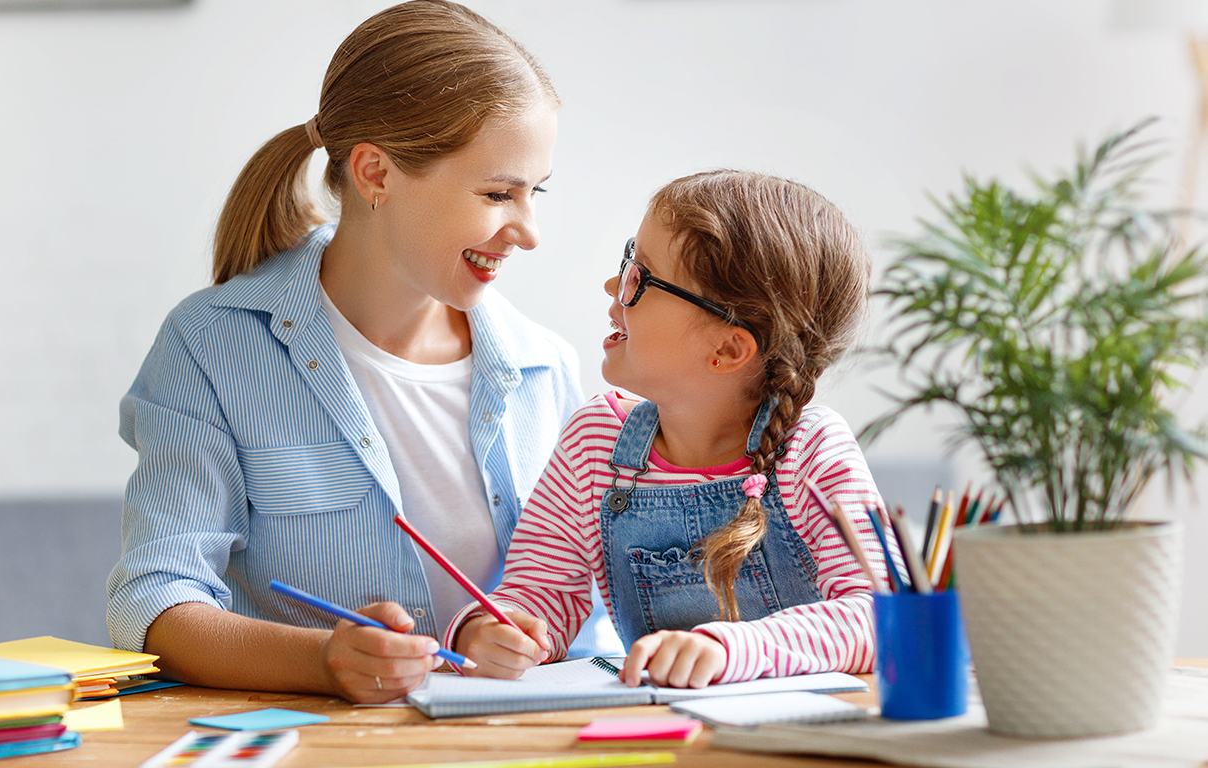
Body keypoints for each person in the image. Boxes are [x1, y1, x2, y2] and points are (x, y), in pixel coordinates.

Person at [107, 0, 615, 705]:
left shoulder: (545, 368)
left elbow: (591, 609)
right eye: (498, 193)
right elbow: (154, 603)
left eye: (536, 193)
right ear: (375, 173)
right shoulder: (209, 346)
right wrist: (324, 660)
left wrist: (528, 634)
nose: (527, 231)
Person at [446, 169, 889, 688]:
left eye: (642, 278)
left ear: (725, 350)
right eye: (628, 261)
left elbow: (878, 616)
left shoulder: (811, 449)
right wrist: (488, 631)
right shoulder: (596, 441)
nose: (615, 285)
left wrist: (727, 649)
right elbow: (536, 594)